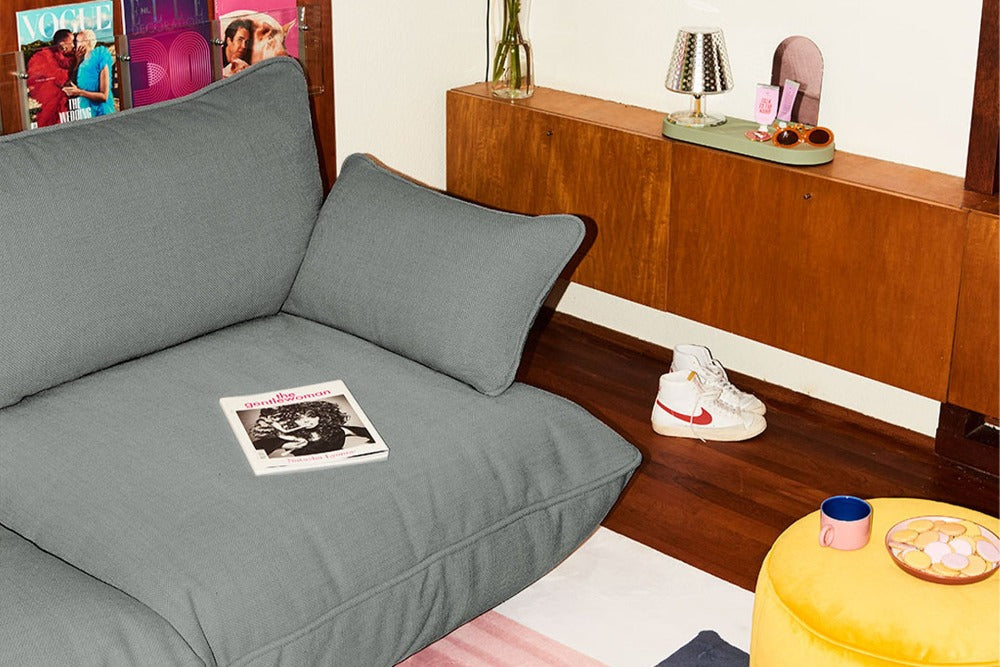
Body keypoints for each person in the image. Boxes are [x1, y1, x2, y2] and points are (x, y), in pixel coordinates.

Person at [249, 401, 373, 458]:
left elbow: (370, 433)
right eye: (299, 418)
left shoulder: (337, 431)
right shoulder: (293, 437)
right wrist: (282, 445)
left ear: (322, 415)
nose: (306, 421)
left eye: (311, 416)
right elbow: (256, 449)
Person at [25, 29, 76, 127]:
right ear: (63, 46)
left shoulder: (71, 58)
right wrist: (77, 62)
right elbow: (64, 83)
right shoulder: (45, 59)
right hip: (54, 108)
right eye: (72, 42)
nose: (74, 45)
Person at [62, 30, 115, 117]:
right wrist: (78, 62)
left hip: (100, 112)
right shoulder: (80, 61)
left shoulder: (100, 58)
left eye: (78, 41)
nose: (75, 45)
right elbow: (70, 83)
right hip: (85, 111)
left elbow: (104, 96)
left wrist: (79, 92)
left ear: (87, 42)